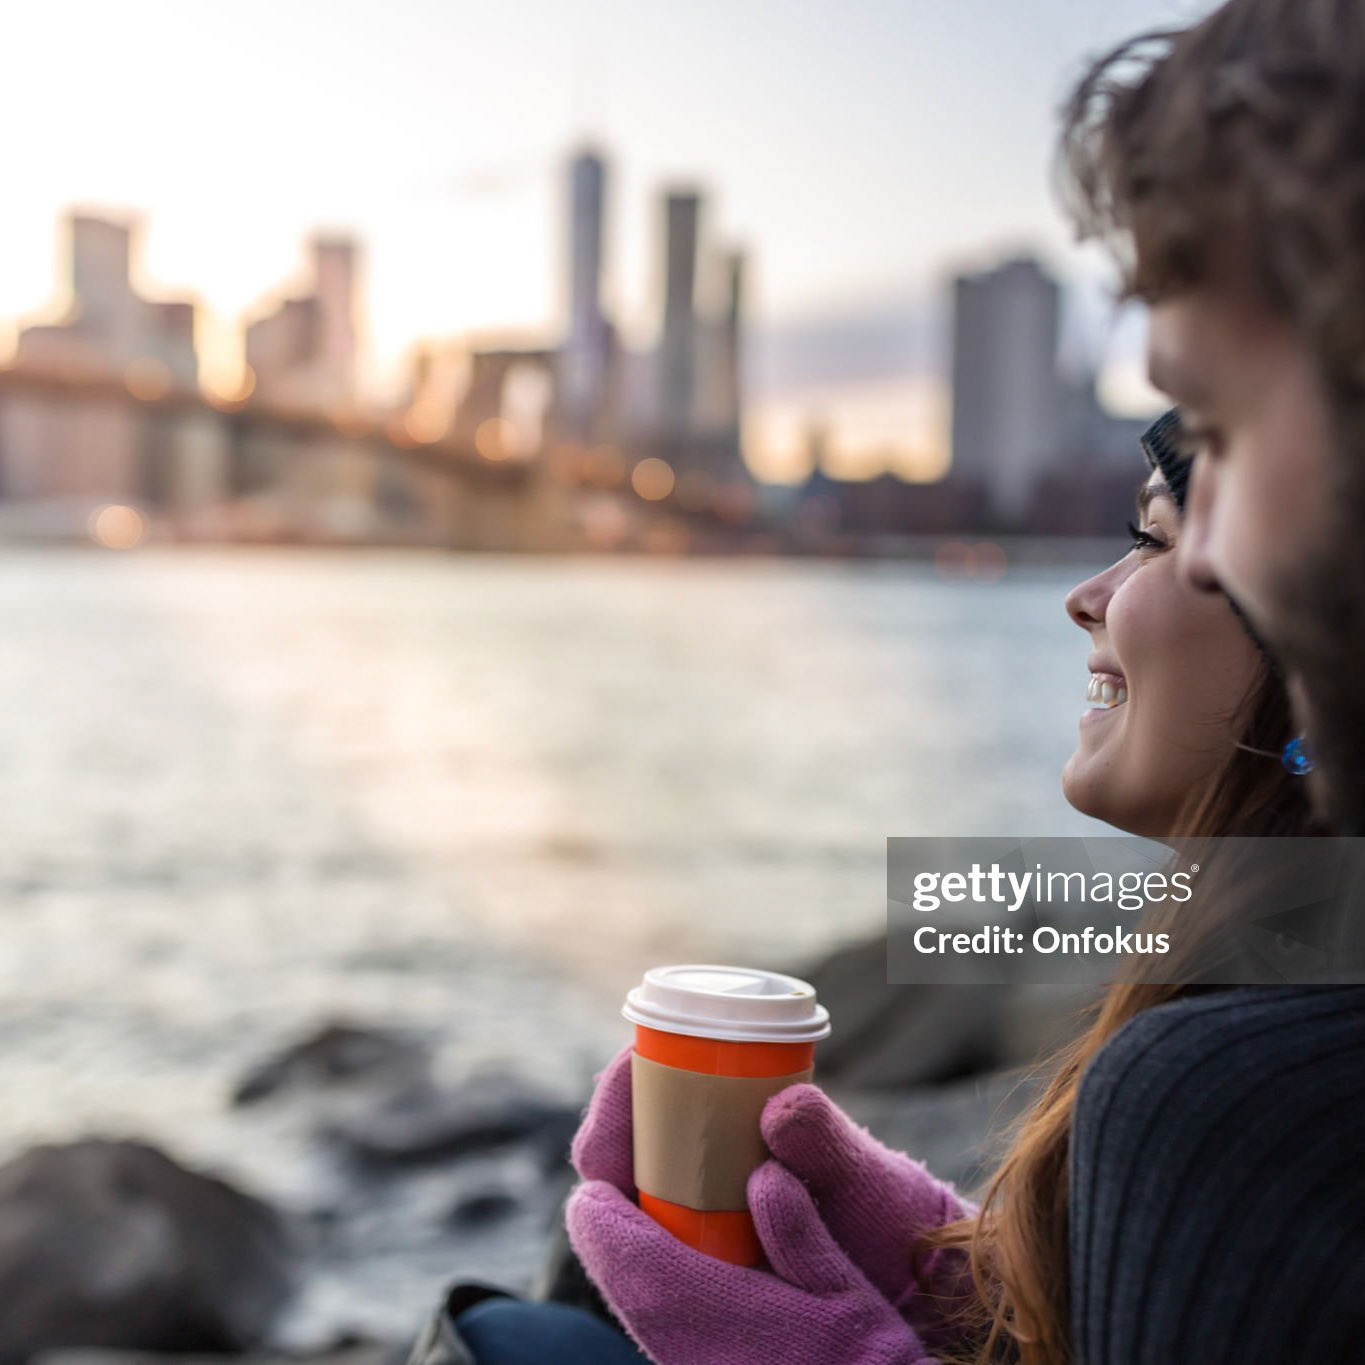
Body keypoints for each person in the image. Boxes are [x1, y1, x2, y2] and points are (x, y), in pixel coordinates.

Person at [405, 407, 1332, 1364]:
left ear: (1321, 656)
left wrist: (835, 1353)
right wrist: (926, 1258)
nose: (1085, 596)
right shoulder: (1294, 979)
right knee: (577, 1291)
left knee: (507, 1344)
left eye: (1151, 538)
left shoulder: (1220, 1086)